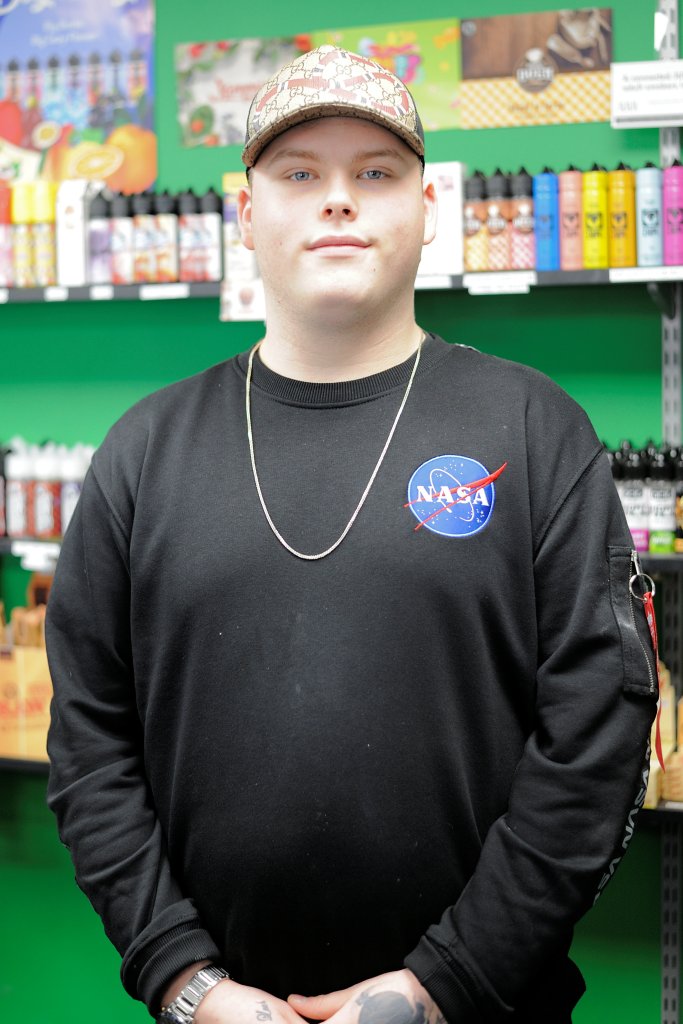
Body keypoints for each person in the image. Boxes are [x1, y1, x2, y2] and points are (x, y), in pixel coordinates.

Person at [46, 45, 657, 1024]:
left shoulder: (533, 428)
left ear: (429, 205)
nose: (337, 199)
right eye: (298, 175)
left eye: (375, 173)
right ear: (244, 214)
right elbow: (89, 743)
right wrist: (189, 984)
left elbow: (598, 731)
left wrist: (443, 985)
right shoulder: (143, 452)